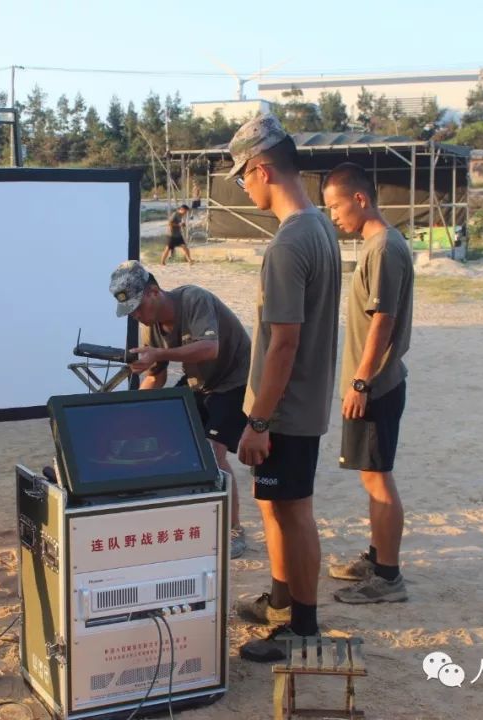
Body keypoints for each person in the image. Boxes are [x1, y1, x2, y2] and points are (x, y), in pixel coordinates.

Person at [227, 115, 341, 662]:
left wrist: (258, 421)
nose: (243, 187)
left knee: (293, 513)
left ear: (262, 169)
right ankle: (280, 600)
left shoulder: (288, 244)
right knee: (277, 508)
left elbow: (283, 344)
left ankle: (303, 626)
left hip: (286, 412)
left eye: (242, 176)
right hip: (302, 405)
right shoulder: (319, 227)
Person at [109, 260, 252, 558]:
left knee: (213, 453)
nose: (136, 315)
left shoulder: (193, 299)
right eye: (130, 312)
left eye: (137, 307)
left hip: (236, 379)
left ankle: (234, 529)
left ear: (154, 292)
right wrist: (130, 413)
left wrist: (158, 353)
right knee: (168, 439)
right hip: (200, 382)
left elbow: (209, 348)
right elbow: (156, 376)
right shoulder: (152, 327)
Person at [322, 163, 413, 605]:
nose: (333, 216)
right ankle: (377, 558)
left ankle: (388, 577)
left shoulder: (384, 248)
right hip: (371, 384)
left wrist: (360, 383)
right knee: (370, 477)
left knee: (379, 479)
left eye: (336, 206)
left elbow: (384, 320)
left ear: (360, 199)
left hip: (375, 385)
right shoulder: (377, 245)